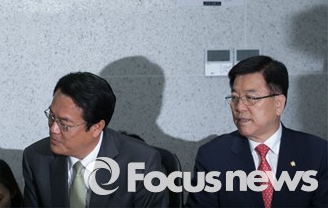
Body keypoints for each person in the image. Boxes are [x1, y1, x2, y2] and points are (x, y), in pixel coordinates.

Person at [186, 55, 328, 207]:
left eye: (251, 98)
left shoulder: (318, 154)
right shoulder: (212, 156)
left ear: (278, 104)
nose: (239, 107)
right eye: (235, 98)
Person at [22, 71, 167, 207]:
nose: (53, 129)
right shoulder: (36, 157)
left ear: (96, 128)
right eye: (51, 117)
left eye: (64, 125)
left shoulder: (141, 163)